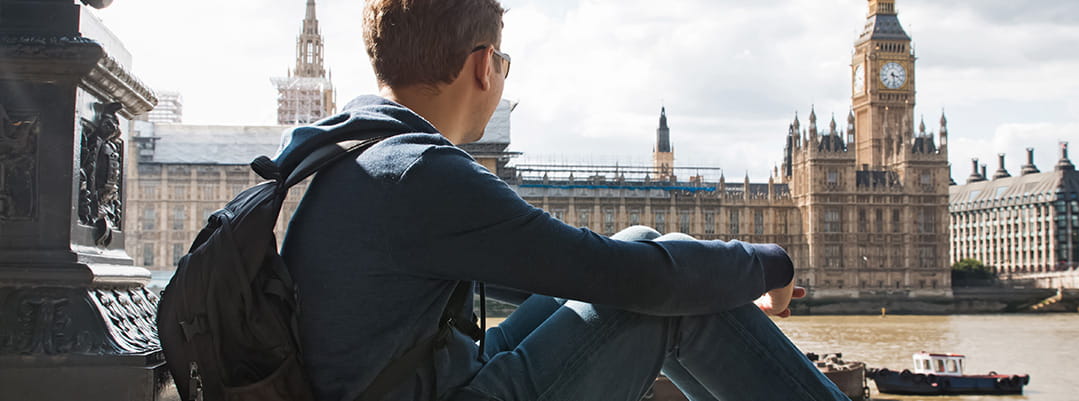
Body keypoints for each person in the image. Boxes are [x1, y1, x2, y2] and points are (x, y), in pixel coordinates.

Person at [276, 0, 848, 400]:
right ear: (482, 66)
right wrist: (769, 265)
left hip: (423, 376)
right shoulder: (420, 172)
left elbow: (561, 272)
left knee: (645, 246)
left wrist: (686, 269)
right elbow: (629, 281)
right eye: (503, 63)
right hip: (434, 388)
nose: (501, 76)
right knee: (659, 301)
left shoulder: (360, 150)